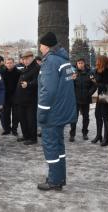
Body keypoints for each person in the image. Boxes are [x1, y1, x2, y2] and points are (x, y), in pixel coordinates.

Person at [37, 32, 77, 191]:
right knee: (59, 147)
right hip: (61, 112)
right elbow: (67, 82)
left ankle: (54, 180)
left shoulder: (50, 62)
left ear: (45, 46)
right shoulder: (63, 60)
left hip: (52, 113)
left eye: (40, 45)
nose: (40, 48)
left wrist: (41, 113)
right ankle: (59, 177)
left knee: (51, 147)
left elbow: (48, 91)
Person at [91, 55, 108, 146]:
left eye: (98, 60)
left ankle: (106, 139)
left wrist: (98, 83)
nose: (96, 62)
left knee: (106, 117)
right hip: (100, 94)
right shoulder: (98, 70)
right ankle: (99, 135)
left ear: (102, 61)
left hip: (107, 95)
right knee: (98, 115)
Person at [14, 51, 39, 145]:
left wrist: (28, 84)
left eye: (26, 59)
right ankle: (26, 135)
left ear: (31, 58)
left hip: (30, 99)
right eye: (23, 59)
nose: (24, 61)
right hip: (21, 99)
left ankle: (33, 138)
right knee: (22, 118)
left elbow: (38, 82)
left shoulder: (36, 68)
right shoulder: (26, 67)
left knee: (31, 119)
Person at [69, 58, 97, 142]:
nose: (80, 64)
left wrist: (89, 93)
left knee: (86, 117)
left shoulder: (90, 73)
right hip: (75, 99)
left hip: (86, 99)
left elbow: (94, 84)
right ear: (76, 64)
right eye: (79, 63)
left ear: (84, 64)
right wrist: (71, 80)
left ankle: (85, 133)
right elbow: (68, 84)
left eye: (81, 63)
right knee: (74, 118)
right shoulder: (73, 73)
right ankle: (72, 134)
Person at [1, 58, 20, 136]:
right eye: (7, 63)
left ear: (14, 63)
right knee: (6, 114)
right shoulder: (2, 73)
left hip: (15, 96)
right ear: (5, 64)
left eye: (11, 63)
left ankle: (14, 129)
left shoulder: (19, 72)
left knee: (16, 114)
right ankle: (7, 129)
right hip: (5, 96)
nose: (9, 64)